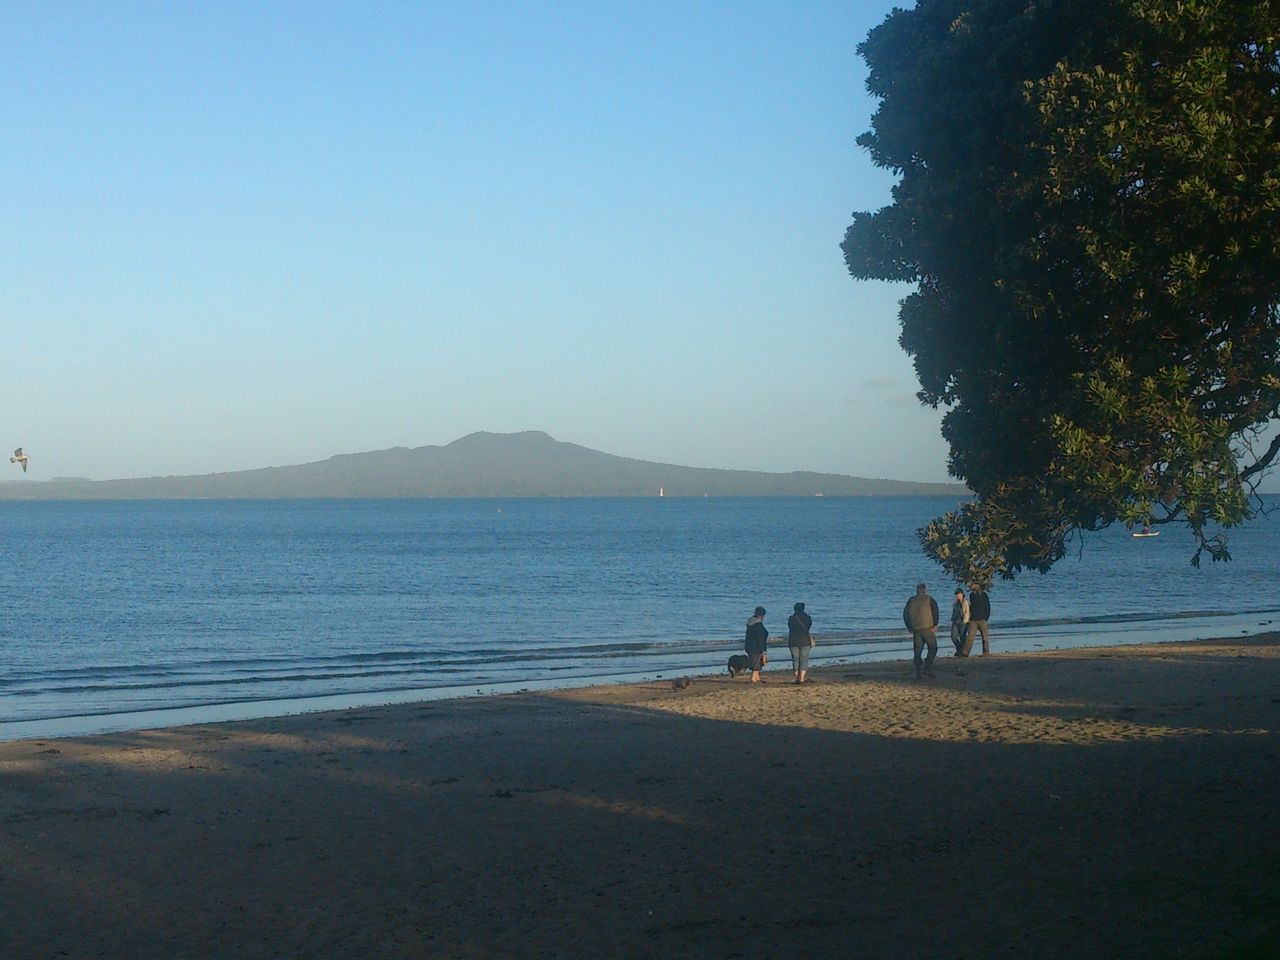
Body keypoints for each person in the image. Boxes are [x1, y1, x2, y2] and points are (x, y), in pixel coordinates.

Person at [902, 583, 939, 680]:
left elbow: (905, 614)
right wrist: (935, 624)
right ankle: (927, 667)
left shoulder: (911, 600)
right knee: (933, 647)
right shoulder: (929, 599)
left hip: (916, 629)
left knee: (917, 651)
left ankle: (918, 673)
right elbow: (935, 611)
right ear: (925, 590)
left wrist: (909, 626)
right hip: (927, 627)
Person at [787, 602, 815, 684]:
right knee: (804, 659)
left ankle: (796, 677)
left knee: (795, 659)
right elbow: (808, 627)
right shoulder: (808, 618)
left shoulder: (791, 618)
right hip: (805, 640)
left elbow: (790, 627)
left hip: (793, 640)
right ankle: (802, 677)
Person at [964, 584, 992, 656]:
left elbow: (988, 607)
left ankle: (986, 652)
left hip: (982, 619)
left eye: (973, 586)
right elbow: (972, 607)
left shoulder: (984, 595)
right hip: (973, 619)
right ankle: (965, 652)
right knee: (970, 637)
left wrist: (986, 617)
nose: (971, 587)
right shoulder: (972, 595)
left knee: (985, 637)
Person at [745, 606, 769, 683]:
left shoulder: (750, 621)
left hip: (749, 644)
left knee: (754, 660)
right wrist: (763, 649)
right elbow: (761, 636)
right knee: (757, 661)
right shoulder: (758, 624)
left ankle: (757, 677)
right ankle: (753, 678)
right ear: (762, 615)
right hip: (757, 646)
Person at [950, 588, 970, 656]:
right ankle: (959, 649)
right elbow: (954, 611)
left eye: (958, 594)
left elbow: (967, 612)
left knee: (962, 637)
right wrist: (952, 619)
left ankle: (961, 651)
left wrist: (965, 621)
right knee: (953, 637)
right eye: (956, 594)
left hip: (963, 621)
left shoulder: (965, 602)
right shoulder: (955, 602)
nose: (957, 596)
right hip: (955, 621)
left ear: (962, 594)